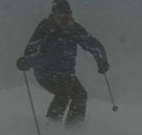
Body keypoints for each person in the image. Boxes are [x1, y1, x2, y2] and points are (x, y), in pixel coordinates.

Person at [17, 0, 109, 128]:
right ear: (54, 16)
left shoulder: (75, 29)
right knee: (63, 94)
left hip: (67, 73)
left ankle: (73, 130)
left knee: (81, 95)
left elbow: (93, 44)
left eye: (68, 17)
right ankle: (51, 127)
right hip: (46, 73)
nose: (65, 21)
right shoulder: (45, 28)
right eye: (61, 17)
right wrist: (26, 62)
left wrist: (102, 61)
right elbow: (33, 48)